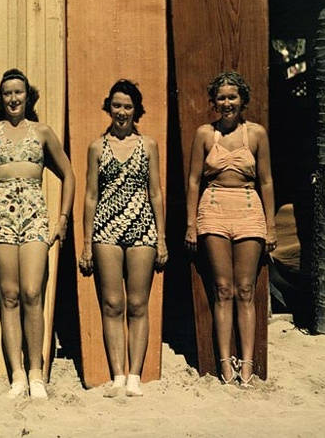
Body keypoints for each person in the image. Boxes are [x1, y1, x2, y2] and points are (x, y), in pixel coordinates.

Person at [0, 68, 74, 400]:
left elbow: (68, 173)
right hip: (1, 217)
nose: (13, 98)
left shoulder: (43, 132)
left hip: (35, 215)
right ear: (0, 97)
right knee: (8, 296)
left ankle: (36, 372)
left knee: (33, 292)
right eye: (7, 93)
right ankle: (17, 375)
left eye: (18, 92)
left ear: (28, 95)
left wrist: (62, 218)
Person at [184, 71, 276, 386]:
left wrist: (272, 226)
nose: (227, 103)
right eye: (221, 98)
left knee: (246, 290)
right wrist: (191, 223)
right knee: (222, 289)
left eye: (232, 97)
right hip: (213, 208)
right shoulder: (204, 135)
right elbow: (194, 180)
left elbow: (266, 180)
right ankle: (224, 362)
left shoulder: (257, 134)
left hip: (250, 209)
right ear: (214, 101)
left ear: (242, 100)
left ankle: (248, 364)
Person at [77, 80, 167, 397]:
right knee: (113, 303)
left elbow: (156, 192)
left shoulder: (148, 146)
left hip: (142, 226)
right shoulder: (96, 148)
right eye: (116, 105)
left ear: (136, 109)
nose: (122, 112)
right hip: (106, 229)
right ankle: (117, 374)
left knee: (139, 304)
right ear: (109, 107)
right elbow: (90, 196)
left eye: (127, 106)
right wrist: (87, 242)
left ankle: (134, 376)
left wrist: (162, 238)